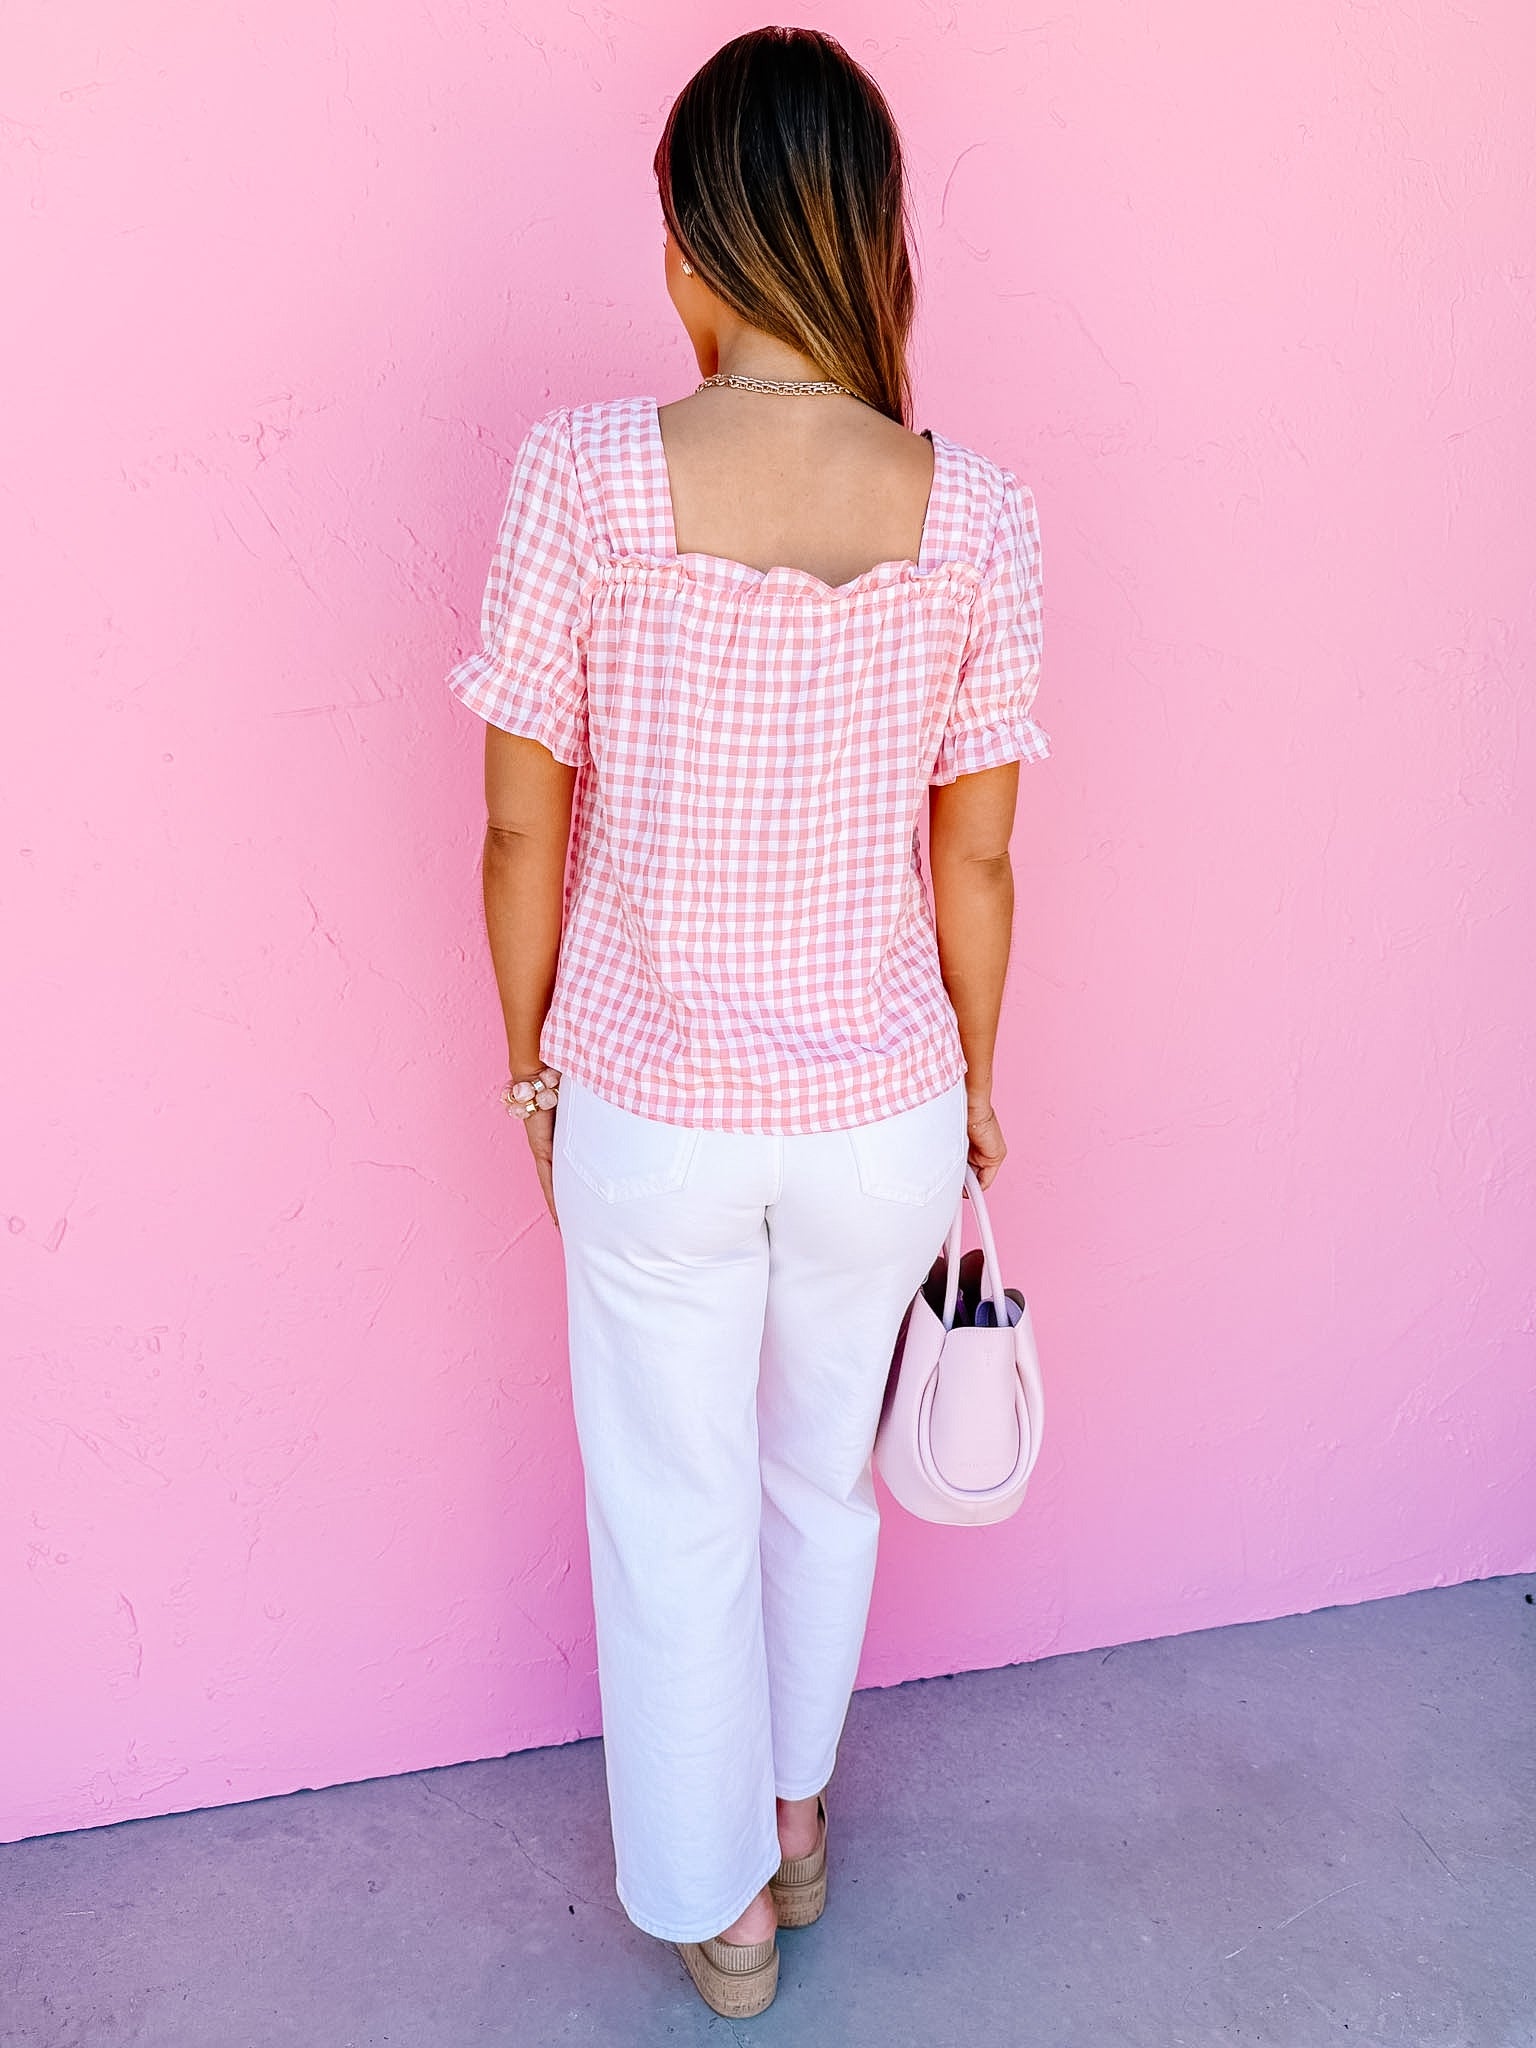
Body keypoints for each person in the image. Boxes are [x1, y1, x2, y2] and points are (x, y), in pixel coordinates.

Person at [446, 25, 1051, 2020]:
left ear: (697, 241)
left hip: (652, 1104)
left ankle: (721, 1912)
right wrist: (975, 1083)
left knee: (672, 1503)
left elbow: (522, 818)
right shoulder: (978, 514)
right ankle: (795, 1815)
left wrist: (528, 1059)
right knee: (819, 1481)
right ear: (873, 244)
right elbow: (974, 869)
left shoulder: (587, 476)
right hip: (878, 1104)